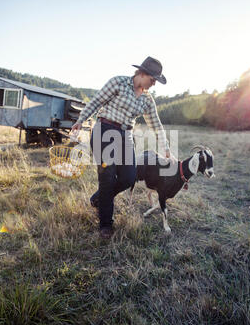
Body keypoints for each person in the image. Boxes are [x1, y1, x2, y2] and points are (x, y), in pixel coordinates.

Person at [71, 56, 175, 239]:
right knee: (108, 176)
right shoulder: (118, 82)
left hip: (126, 135)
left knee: (129, 177)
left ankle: (98, 199)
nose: (154, 84)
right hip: (105, 129)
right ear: (143, 74)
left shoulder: (147, 100)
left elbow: (156, 125)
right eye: (153, 80)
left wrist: (165, 147)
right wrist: (80, 121)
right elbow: (95, 102)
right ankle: (105, 224)